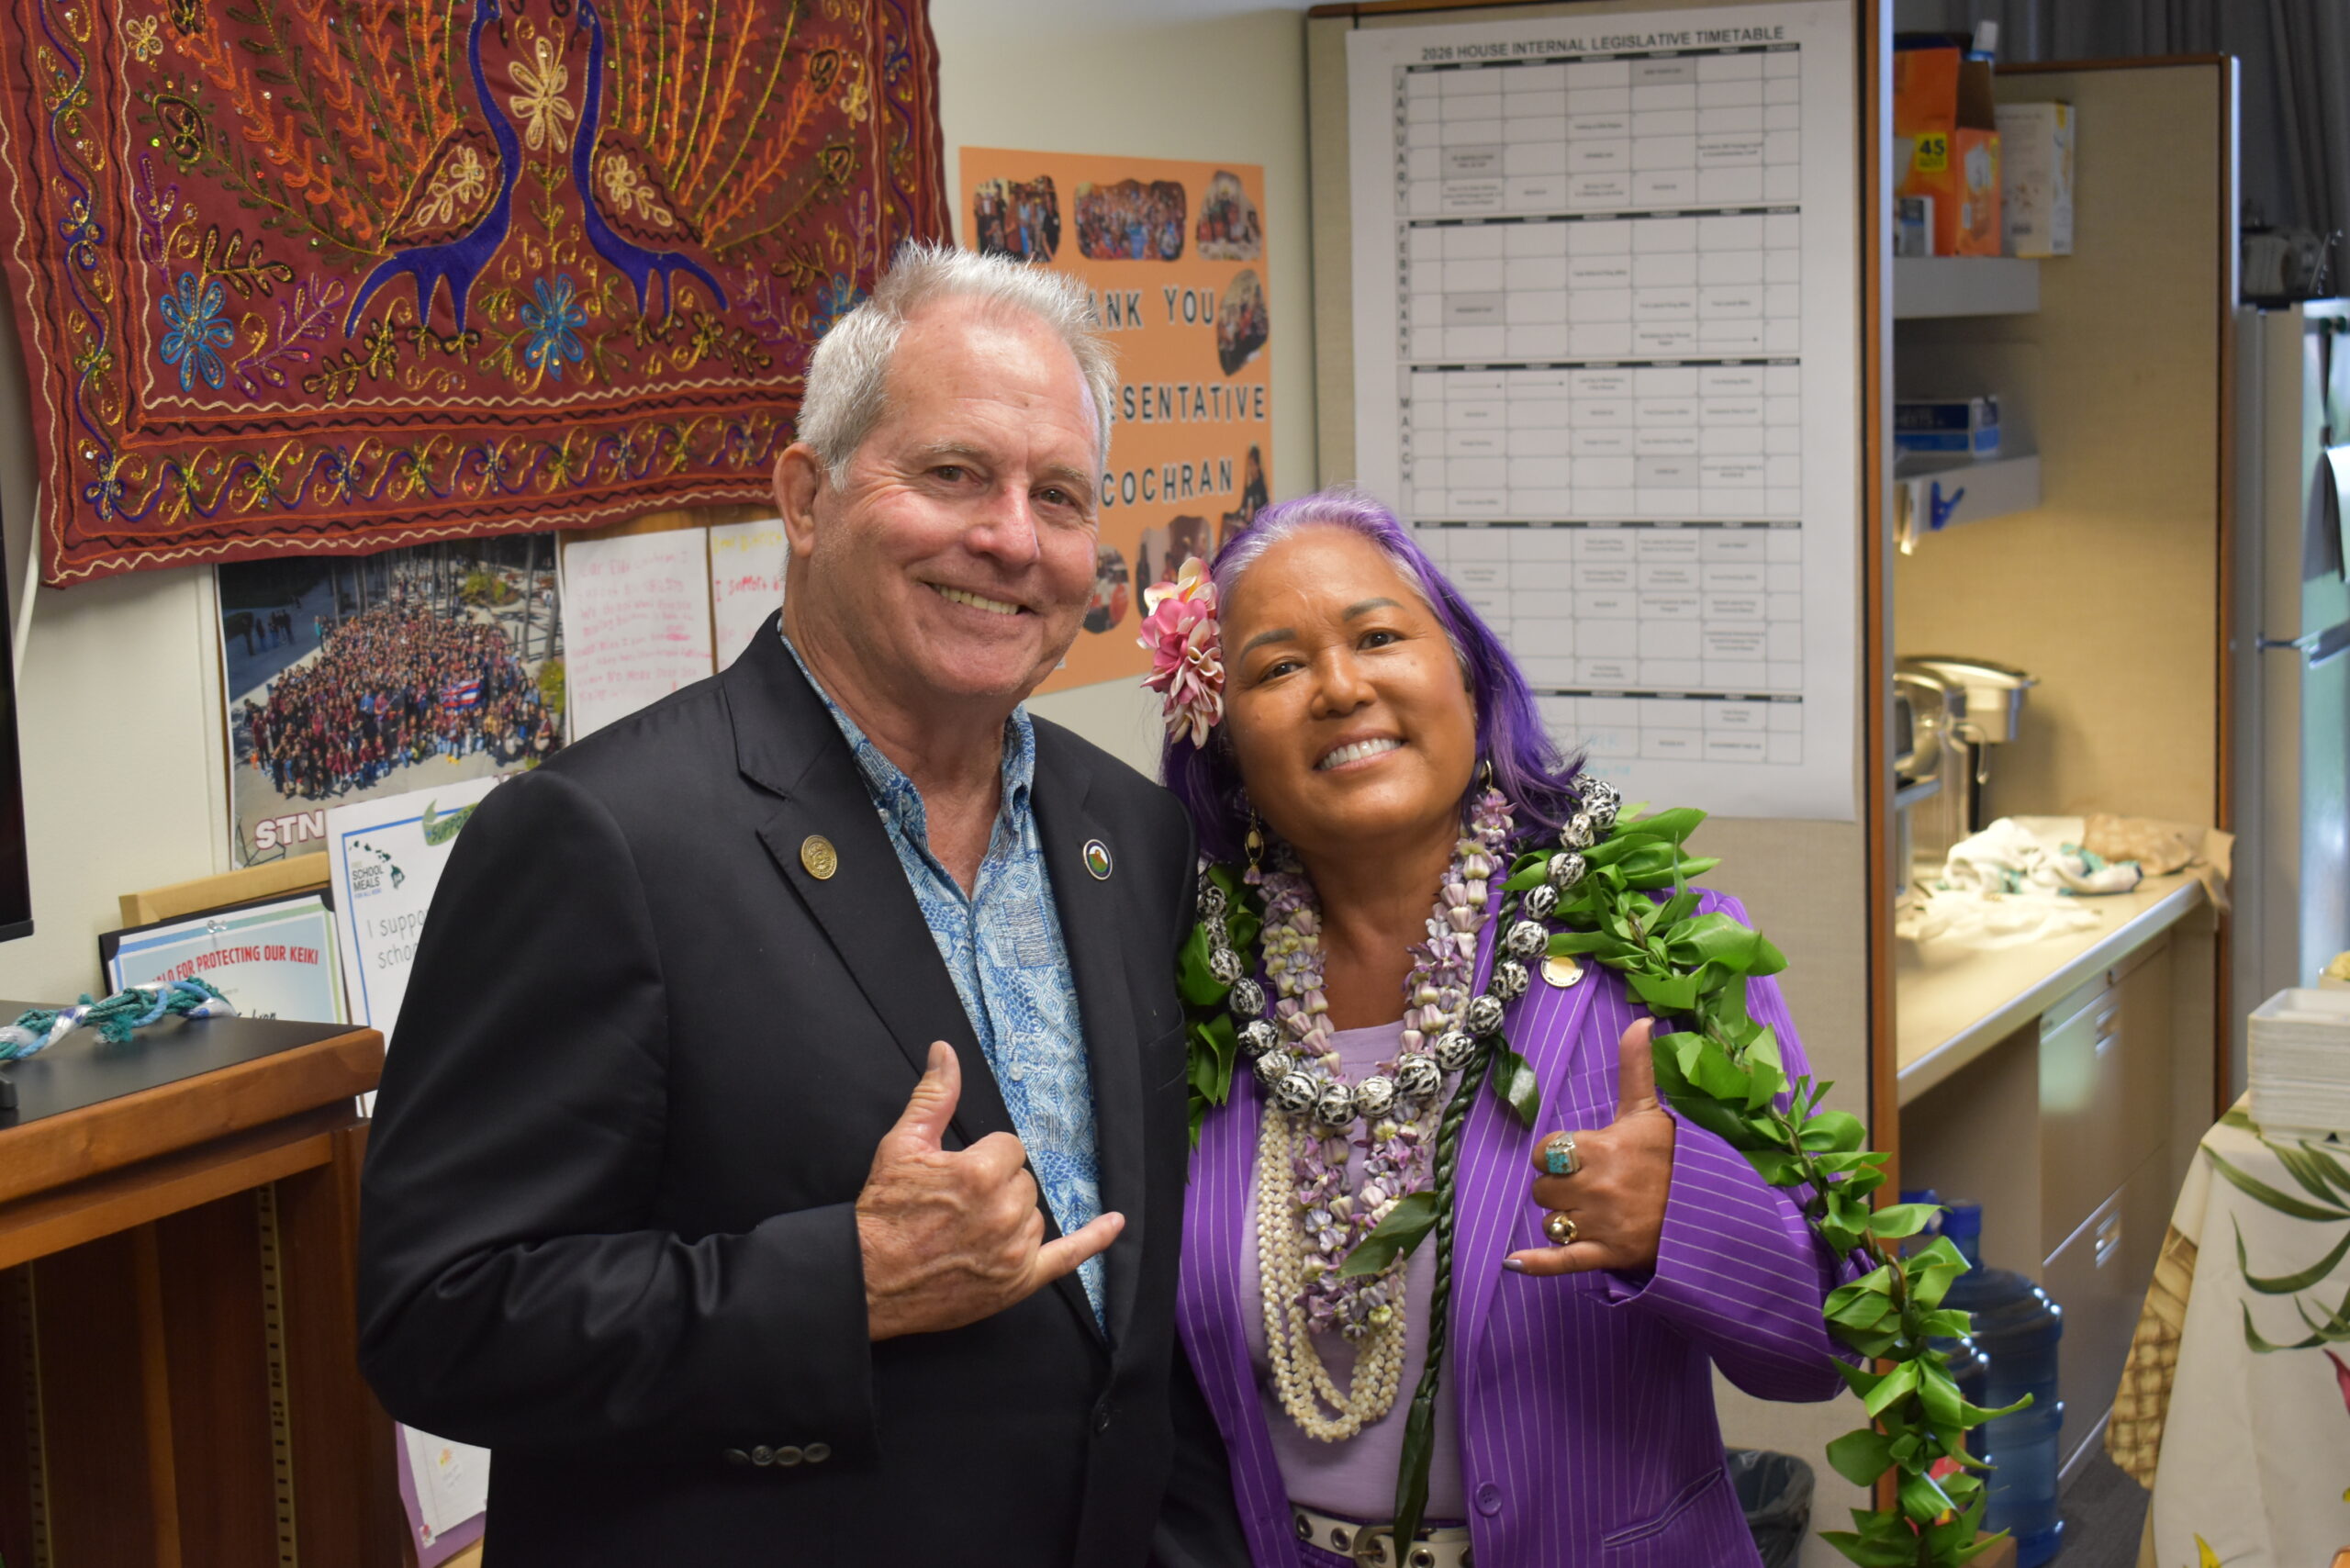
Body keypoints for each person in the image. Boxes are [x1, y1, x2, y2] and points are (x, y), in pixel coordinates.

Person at [358, 244, 1247, 1567]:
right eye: (952, 474)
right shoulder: (602, 841)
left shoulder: (1131, 835)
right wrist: (845, 1286)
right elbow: (438, 1316)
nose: (1010, 537)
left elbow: (1129, 1339)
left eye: (1058, 497)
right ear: (806, 496)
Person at [1140, 491, 1847, 1567]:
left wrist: (1680, 1218)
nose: (1340, 687)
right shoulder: (1194, 996)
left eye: (1379, 637)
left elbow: (1823, 1339)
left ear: (1466, 675)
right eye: (1278, 667)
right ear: (1226, 738)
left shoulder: (1655, 955)